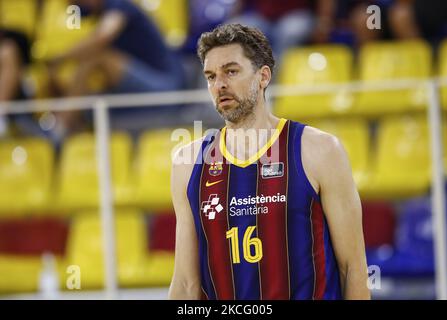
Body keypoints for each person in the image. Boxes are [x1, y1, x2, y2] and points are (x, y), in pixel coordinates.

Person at [168, 24, 370, 300]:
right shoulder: (188, 163)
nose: (220, 85)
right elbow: (185, 283)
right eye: (211, 76)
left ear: (263, 76)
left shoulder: (320, 150)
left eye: (231, 71)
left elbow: (353, 269)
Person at [46, 0, 185, 133]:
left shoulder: (119, 5)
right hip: (138, 91)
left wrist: (60, 59)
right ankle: (67, 125)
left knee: (96, 57)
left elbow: (101, 38)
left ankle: (61, 127)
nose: (77, 4)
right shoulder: (96, 14)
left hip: (166, 88)